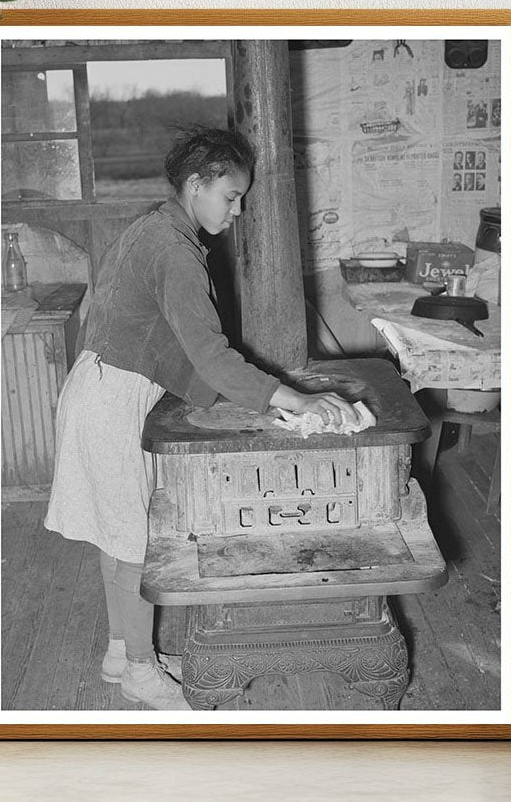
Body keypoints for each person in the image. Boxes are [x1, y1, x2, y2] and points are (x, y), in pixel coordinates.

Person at [44, 126, 359, 711]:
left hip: (102, 386)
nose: (236, 211)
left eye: (240, 198)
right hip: (113, 400)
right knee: (135, 544)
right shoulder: (173, 249)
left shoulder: (157, 227)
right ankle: (141, 672)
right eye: (230, 196)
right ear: (196, 185)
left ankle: (121, 652)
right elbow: (210, 355)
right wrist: (295, 400)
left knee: (119, 537)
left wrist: (254, 395)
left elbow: (176, 346)